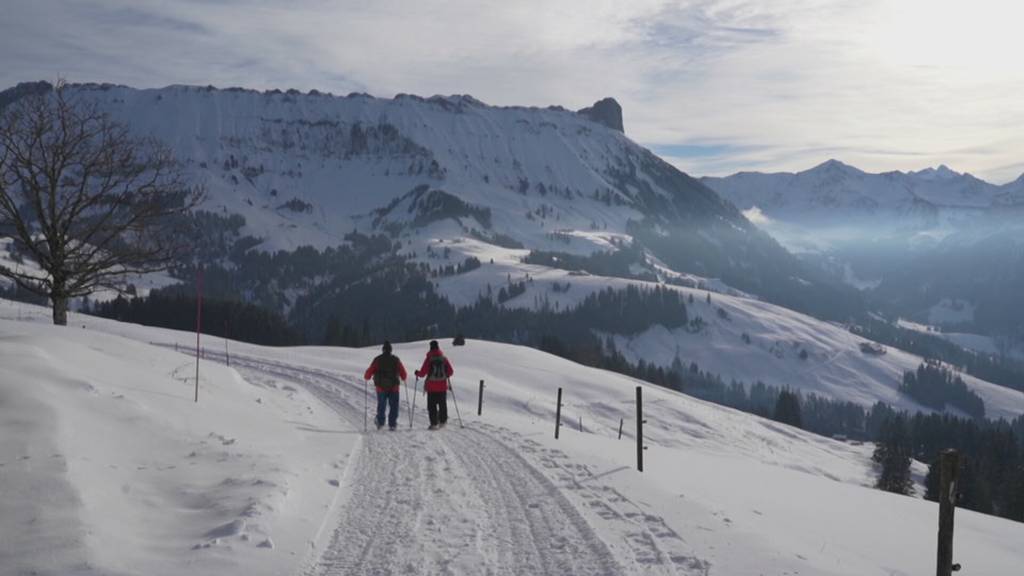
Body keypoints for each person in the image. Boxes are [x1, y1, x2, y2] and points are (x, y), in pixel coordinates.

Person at [364, 341, 407, 431]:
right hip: (394, 387)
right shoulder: (396, 359)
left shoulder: (377, 359)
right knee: (394, 405)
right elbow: (404, 374)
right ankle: (392, 424)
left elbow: (369, 372)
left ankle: (380, 422)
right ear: (391, 350)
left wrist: (367, 377)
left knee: (382, 405)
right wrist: (403, 377)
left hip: (380, 387)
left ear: (383, 349)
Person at [414, 340, 454, 430]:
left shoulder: (429, 359)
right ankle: (443, 421)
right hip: (442, 386)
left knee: (432, 406)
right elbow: (451, 372)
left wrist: (417, 373)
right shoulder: (444, 358)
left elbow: (423, 373)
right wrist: (446, 374)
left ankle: (434, 424)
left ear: (430, 347)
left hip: (431, 387)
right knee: (442, 404)